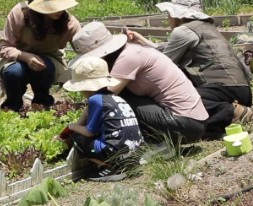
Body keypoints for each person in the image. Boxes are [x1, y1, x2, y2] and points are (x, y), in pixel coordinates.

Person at [125, 0, 253, 139]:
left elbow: (164, 64)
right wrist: (143, 42)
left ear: (176, 15)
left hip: (223, 87)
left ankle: (230, 112)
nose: (168, 18)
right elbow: (169, 49)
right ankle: (230, 113)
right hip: (241, 88)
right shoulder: (204, 27)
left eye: (169, 14)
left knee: (185, 103)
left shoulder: (183, 31)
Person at [72, 22, 208, 144]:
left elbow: (102, 99)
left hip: (185, 124)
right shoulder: (129, 51)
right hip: (192, 121)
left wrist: (77, 128)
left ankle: (126, 141)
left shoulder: (127, 57)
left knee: (115, 99)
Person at [0, 0, 81, 112]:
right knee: (14, 73)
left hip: (49, 61)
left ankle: (42, 105)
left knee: (45, 67)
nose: (59, 11)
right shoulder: (20, 13)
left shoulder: (69, 23)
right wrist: (26, 56)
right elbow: (5, 47)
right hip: (18, 58)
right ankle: (13, 107)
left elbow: (84, 48)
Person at [59, 57, 144, 182]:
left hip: (116, 152)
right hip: (137, 150)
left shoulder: (96, 100)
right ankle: (127, 164)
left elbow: (89, 132)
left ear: (85, 87)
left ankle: (112, 167)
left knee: (78, 138)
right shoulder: (113, 98)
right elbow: (87, 118)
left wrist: (71, 127)